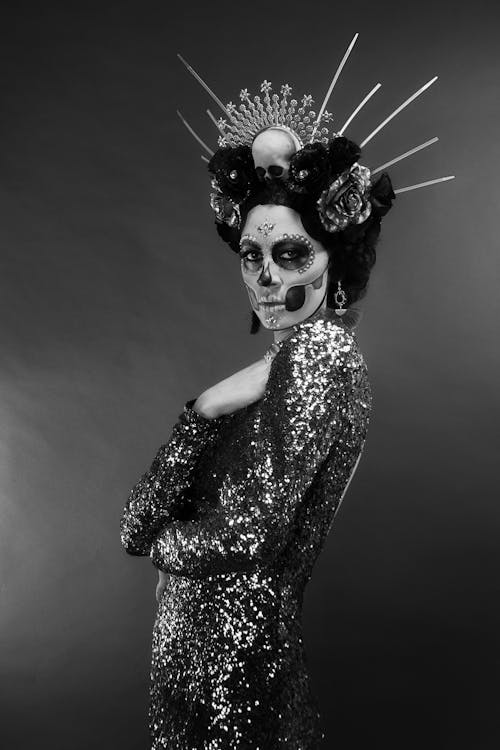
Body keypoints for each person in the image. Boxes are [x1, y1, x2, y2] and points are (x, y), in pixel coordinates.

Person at [120, 37, 452, 749]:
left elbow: (253, 531)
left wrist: (165, 549)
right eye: (252, 255)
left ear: (337, 260)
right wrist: (204, 407)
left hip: (232, 667)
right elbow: (132, 524)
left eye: (290, 253)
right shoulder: (267, 379)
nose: (267, 277)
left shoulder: (323, 355)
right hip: (190, 658)